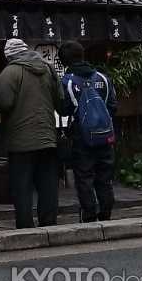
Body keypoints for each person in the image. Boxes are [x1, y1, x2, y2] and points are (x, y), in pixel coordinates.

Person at [0, 38, 62, 229]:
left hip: (20, 141)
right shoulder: (49, 69)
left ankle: (25, 224)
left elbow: (5, 103)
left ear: (9, 56)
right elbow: (60, 101)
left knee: (22, 187)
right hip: (48, 138)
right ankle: (49, 222)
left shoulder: (9, 73)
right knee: (48, 185)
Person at [59, 41, 117, 223]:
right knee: (104, 177)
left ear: (64, 61)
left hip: (81, 137)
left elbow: (64, 110)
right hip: (105, 135)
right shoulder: (103, 78)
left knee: (84, 177)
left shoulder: (67, 82)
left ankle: (89, 215)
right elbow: (113, 106)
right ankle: (106, 213)